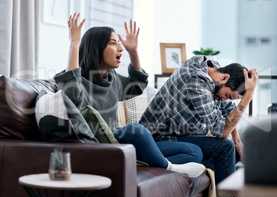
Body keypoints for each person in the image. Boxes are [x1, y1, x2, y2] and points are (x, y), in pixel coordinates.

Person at [54, 13, 206, 177]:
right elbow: (72, 93)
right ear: (96, 48)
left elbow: (137, 84)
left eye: (120, 44)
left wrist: (133, 51)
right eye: (113, 44)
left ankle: (144, 160)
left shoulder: (112, 79)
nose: (120, 49)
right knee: (136, 130)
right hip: (105, 145)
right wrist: (74, 43)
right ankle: (167, 166)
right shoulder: (79, 82)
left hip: (127, 147)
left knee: (194, 152)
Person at [140, 56, 258, 183]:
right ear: (225, 78)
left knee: (233, 151)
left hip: (176, 136)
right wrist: (248, 96)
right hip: (154, 140)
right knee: (221, 149)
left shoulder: (214, 71)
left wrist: (238, 143)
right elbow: (223, 131)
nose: (225, 99)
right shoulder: (197, 83)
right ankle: (228, 194)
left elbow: (228, 110)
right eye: (228, 96)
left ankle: (226, 191)